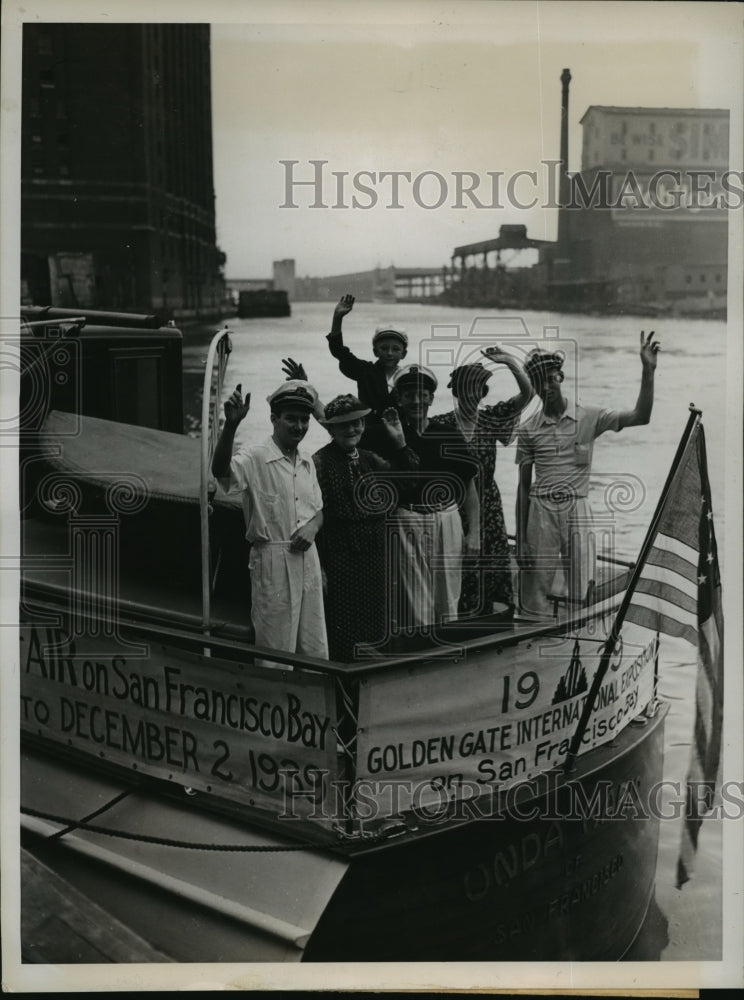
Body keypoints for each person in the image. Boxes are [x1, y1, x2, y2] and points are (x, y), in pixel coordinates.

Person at [515, 331, 660, 620]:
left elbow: (640, 416)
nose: (547, 385)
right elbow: (522, 487)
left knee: (581, 588)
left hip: (577, 508)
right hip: (540, 509)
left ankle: (575, 649)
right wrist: (520, 539)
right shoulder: (528, 428)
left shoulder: (589, 416)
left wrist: (648, 370)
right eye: (539, 380)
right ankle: (531, 645)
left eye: (551, 377)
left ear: (561, 377)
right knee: (534, 590)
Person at [211, 379, 328, 664]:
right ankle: (276, 704)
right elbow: (221, 471)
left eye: (304, 420)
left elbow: (318, 509)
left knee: (314, 647)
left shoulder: (306, 460)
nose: (299, 427)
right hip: (273, 560)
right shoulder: (255, 456)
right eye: (291, 419)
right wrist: (231, 425)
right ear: (274, 419)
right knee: (275, 650)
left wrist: (312, 527)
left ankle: (310, 705)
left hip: (308, 560)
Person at [427, 347, 533, 617]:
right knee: (460, 560)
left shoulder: (490, 419)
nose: (471, 395)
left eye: (477, 389)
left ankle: (489, 616)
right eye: (466, 390)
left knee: (492, 559)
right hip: (454, 504)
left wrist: (508, 361)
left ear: (482, 393)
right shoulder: (441, 424)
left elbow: (527, 394)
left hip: (489, 500)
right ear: (457, 393)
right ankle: (458, 618)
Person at [312, 394, 419, 661]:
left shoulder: (371, 460)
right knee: (343, 628)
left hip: (375, 555)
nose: (351, 429)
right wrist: (320, 566)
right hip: (339, 557)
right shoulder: (319, 462)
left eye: (356, 423)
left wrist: (400, 443)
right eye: (343, 425)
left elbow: (408, 483)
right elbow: (312, 516)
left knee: (376, 623)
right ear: (331, 428)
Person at [381, 363, 480, 630]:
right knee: (414, 597)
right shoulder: (387, 433)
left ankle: (447, 653)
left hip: (446, 518)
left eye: (422, 394)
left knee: (448, 592)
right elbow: (344, 432)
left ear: (431, 398)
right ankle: (421, 656)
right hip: (407, 517)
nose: (416, 400)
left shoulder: (448, 433)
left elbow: (469, 484)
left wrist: (474, 533)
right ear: (399, 398)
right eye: (409, 394)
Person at [325, 293, 408, 452]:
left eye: (395, 349)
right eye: (384, 348)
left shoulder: (409, 377)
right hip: (367, 443)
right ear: (375, 351)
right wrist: (338, 318)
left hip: (400, 442)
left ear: (403, 353)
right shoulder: (365, 371)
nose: (389, 353)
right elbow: (338, 351)